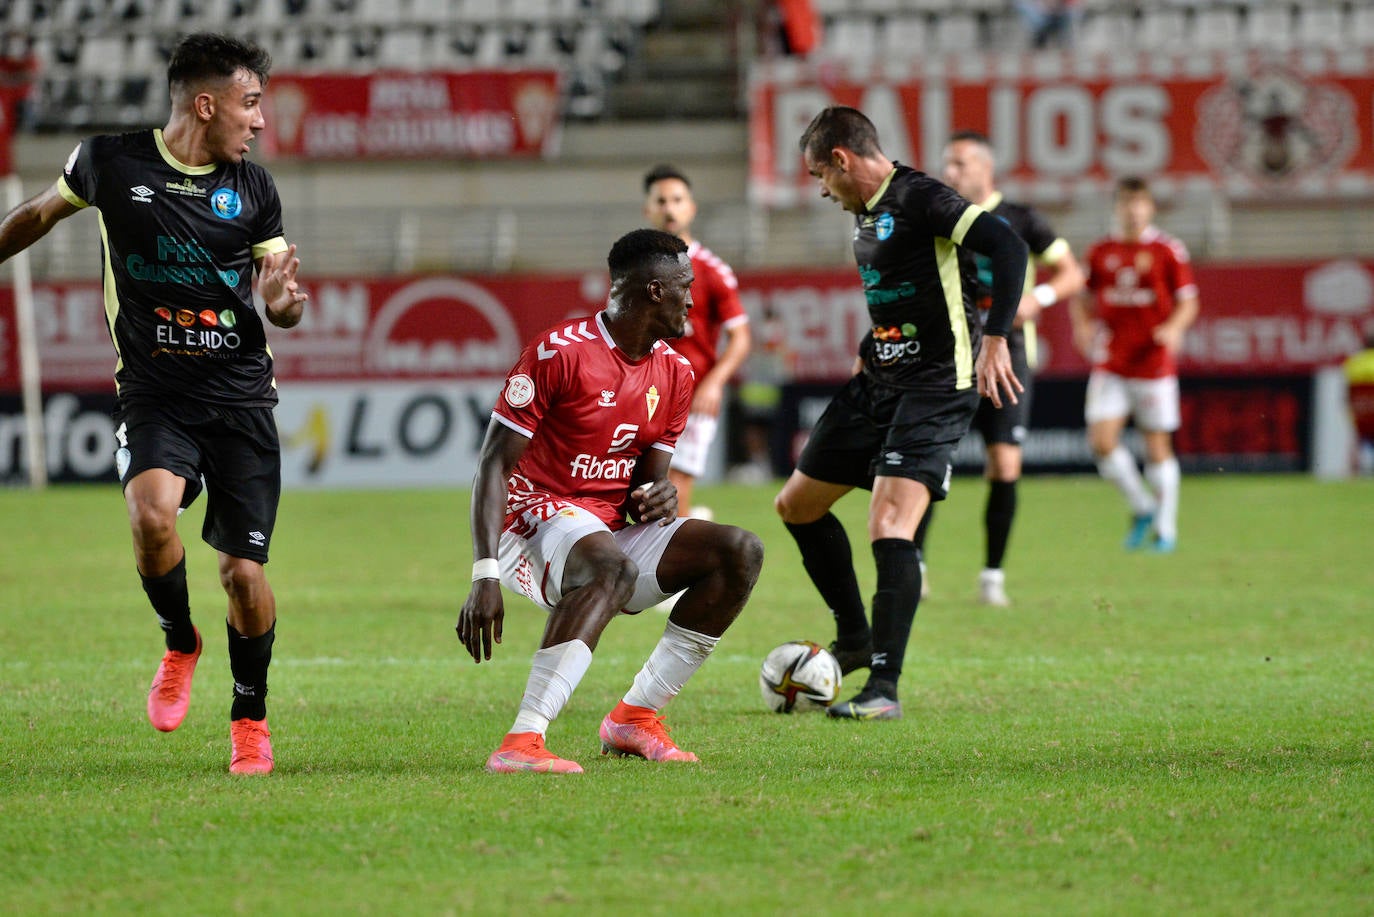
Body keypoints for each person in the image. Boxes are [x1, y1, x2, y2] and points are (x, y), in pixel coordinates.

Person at [0, 33, 308, 775]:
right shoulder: (109, 161)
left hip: (239, 399)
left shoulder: (255, 188)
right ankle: (180, 639)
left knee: (242, 573)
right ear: (206, 104)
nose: (261, 120)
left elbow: (287, 300)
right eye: (250, 102)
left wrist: (282, 303)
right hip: (154, 392)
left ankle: (250, 719)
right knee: (150, 516)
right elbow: (40, 214)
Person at [457, 228, 764, 774]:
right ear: (652, 290)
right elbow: (493, 465)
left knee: (738, 550)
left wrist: (660, 497)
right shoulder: (558, 353)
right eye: (684, 286)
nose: (693, 299)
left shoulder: (676, 372)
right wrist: (483, 574)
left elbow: (649, 487)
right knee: (612, 568)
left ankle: (636, 718)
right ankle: (521, 741)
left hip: (603, 532)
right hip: (529, 522)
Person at [773, 106, 1028, 720]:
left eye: (819, 175)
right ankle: (855, 638)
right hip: (878, 378)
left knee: (889, 522)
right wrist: (870, 350)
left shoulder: (921, 196)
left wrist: (996, 337)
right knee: (797, 506)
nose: (820, 190)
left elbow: (1008, 243)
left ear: (841, 158)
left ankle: (883, 687)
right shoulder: (867, 212)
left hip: (937, 386)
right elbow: (900, 293)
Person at [915, 130, 1086, 607]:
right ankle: (919, 567)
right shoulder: (941, 219)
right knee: (933, 459)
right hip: (951, 356)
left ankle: (992, 576)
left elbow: (1073, 272)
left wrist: (1039, 297)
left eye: (960, 164)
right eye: (947, 164)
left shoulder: (1022, 219)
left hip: (1009, 355)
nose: (950, 173)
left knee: (1004, 464)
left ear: (986, 168)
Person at [1069, 176, 1200, 553]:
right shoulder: (1100, 251)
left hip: (1154, 363)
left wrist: (1173, 328)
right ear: (1117, 207)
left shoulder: (1168, 250)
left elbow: (1189, 302)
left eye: (1139, 202)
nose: (1133, 209)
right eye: (1126, 202)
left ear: (1150, 207)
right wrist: (1082, 325)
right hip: (1112, 360)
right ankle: (1143, 507)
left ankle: (1166, 529)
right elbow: (1082, 295)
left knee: (1156, 445)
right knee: (1101, 441)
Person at [641, 163, 751, 519]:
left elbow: (741, 336)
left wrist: (715, 385)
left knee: (673, 481)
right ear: (648, 209)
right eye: (661, 200)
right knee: (637, 483)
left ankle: (676, 556)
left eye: (677, 199)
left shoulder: (711, 270)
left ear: (691, 207)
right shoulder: (635, 270)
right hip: (643, 392)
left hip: (692, 392)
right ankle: (687, 531)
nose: (669, 208)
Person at [1342, 329, 1374, 474]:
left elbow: (1349, 394)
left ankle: (1352, 473)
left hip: (1360, 415)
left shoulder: (1353, 363)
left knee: (1356, 439)